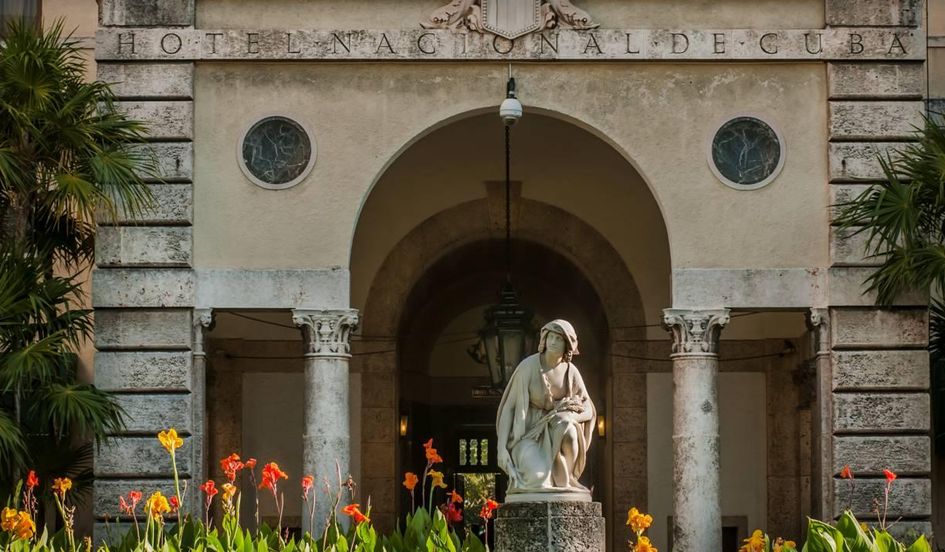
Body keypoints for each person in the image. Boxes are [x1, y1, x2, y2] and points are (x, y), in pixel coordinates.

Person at [496, 319, 595, 500]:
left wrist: (572, 417)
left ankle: (567, 479)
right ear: (544, 339)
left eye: (559, 339)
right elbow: (509, 408)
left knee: (569, 428)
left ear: (568, 345)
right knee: (538, 481)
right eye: (551, 337)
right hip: (529, 435)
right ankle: (546, 475)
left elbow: (589, 408)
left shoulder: (570, 371)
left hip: (557, 430)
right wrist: (501, 447)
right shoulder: (528, 367)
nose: (553, 342)